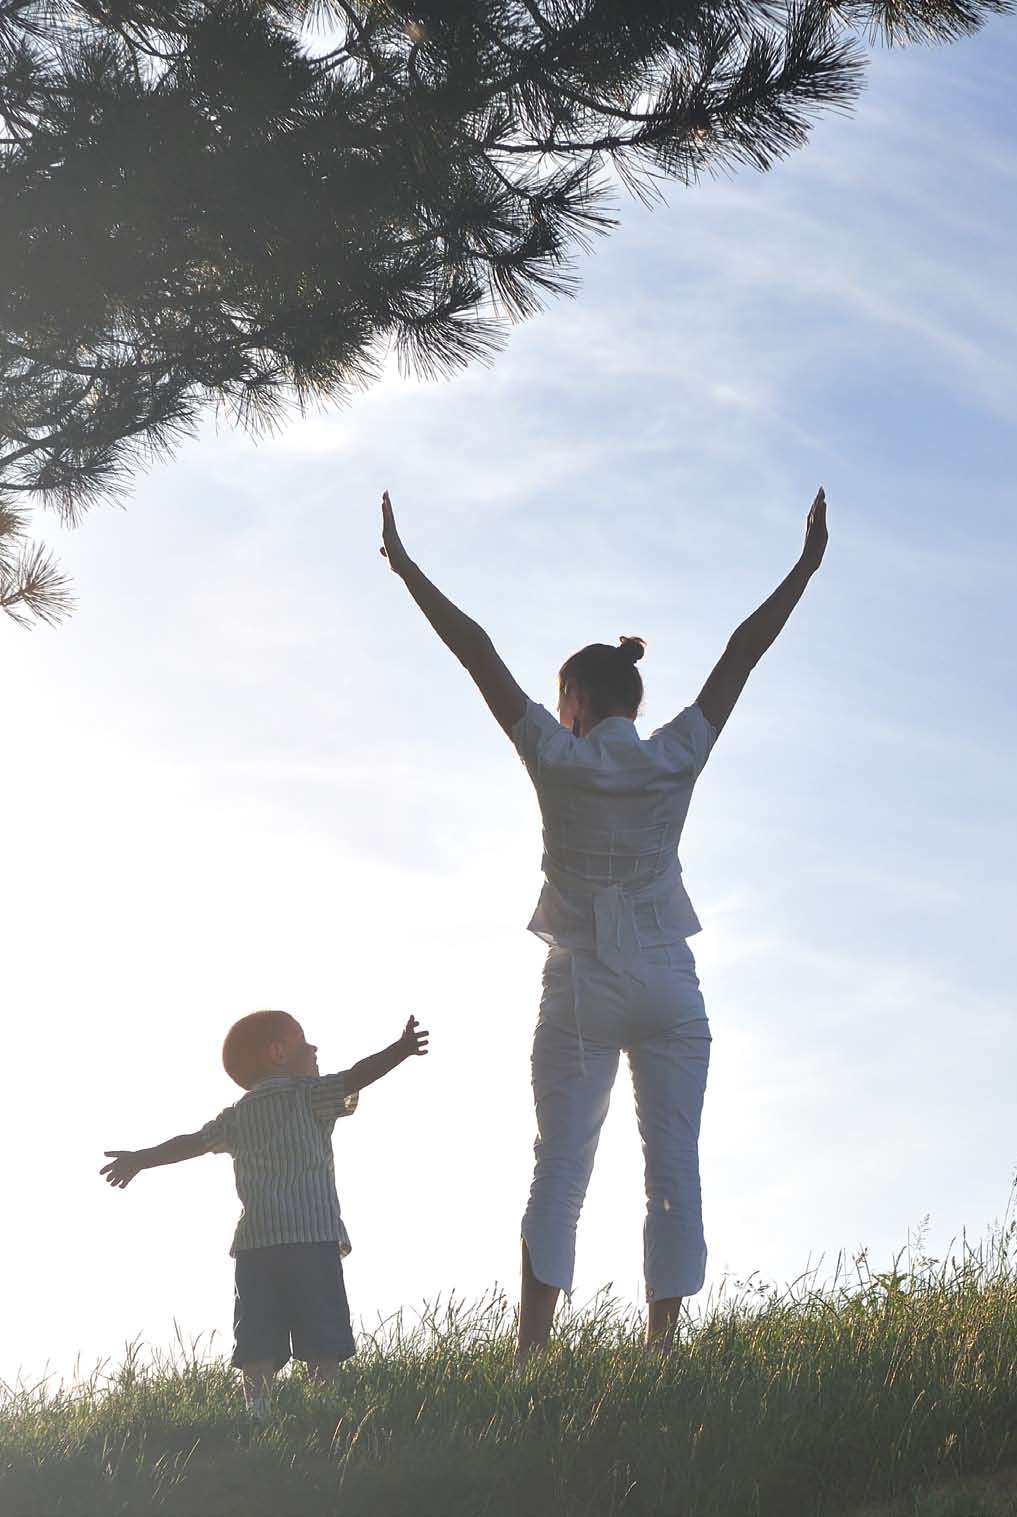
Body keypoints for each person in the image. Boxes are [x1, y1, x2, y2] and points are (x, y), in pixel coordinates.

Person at [379, 485, 827, 1356]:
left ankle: (533, 1352)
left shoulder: (555, 756)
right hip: (668, 984)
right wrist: (804, 566)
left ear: (575, 699)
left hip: (582, 986)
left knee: (562, 1169)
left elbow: (475, 651)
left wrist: (406, 568)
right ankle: (662, 1352)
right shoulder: (675, 756)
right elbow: (742, 651)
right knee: (673, 1170)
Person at [101, 1010, 429, 1418]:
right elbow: (357, 1076)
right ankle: (324, 1404)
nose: (313, 1048)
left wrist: (141, 1159)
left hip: (257, 1246)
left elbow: (189, 1144)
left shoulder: (236, 1117)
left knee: (257, 1331)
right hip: (311, 1238)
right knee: (322, 1327)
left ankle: (258, 1409)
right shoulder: (309, 1094)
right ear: (277, 1053)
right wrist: (400, 1049)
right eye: (302, 1039)